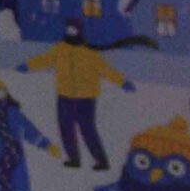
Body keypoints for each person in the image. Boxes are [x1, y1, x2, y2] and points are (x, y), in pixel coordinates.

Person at [26, 19, 133, 172]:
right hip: (64, 97)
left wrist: (122, 82)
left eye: (73, 30)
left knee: (87, 130)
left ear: (80, 32)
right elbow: (44, 60)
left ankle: (101, 160)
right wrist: (29, 65)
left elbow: (106, 70)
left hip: (85, 99)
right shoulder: (59, 50)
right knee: (66, 129)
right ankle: (73, 158)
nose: (70, 33)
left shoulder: (89, 53)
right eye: (68, 30)